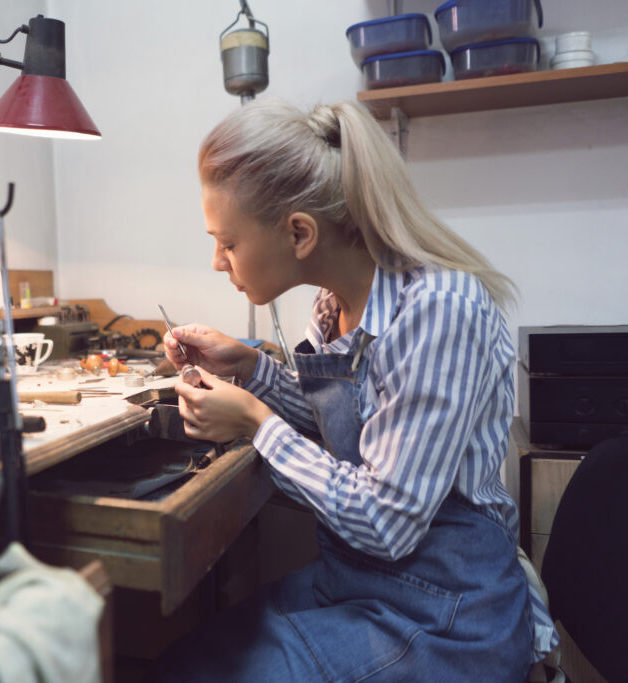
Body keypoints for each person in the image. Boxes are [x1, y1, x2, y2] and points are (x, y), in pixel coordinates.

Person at [153, 99, 558, 682]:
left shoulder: (440, 312)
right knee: (181, 658)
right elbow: (353, 427)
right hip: (356, 579)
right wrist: (250, 369)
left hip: (446, 615)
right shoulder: (337, 301)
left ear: (299, 232)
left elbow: (386, 520)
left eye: (229, 242)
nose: (218, 262)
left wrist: (254, 424)